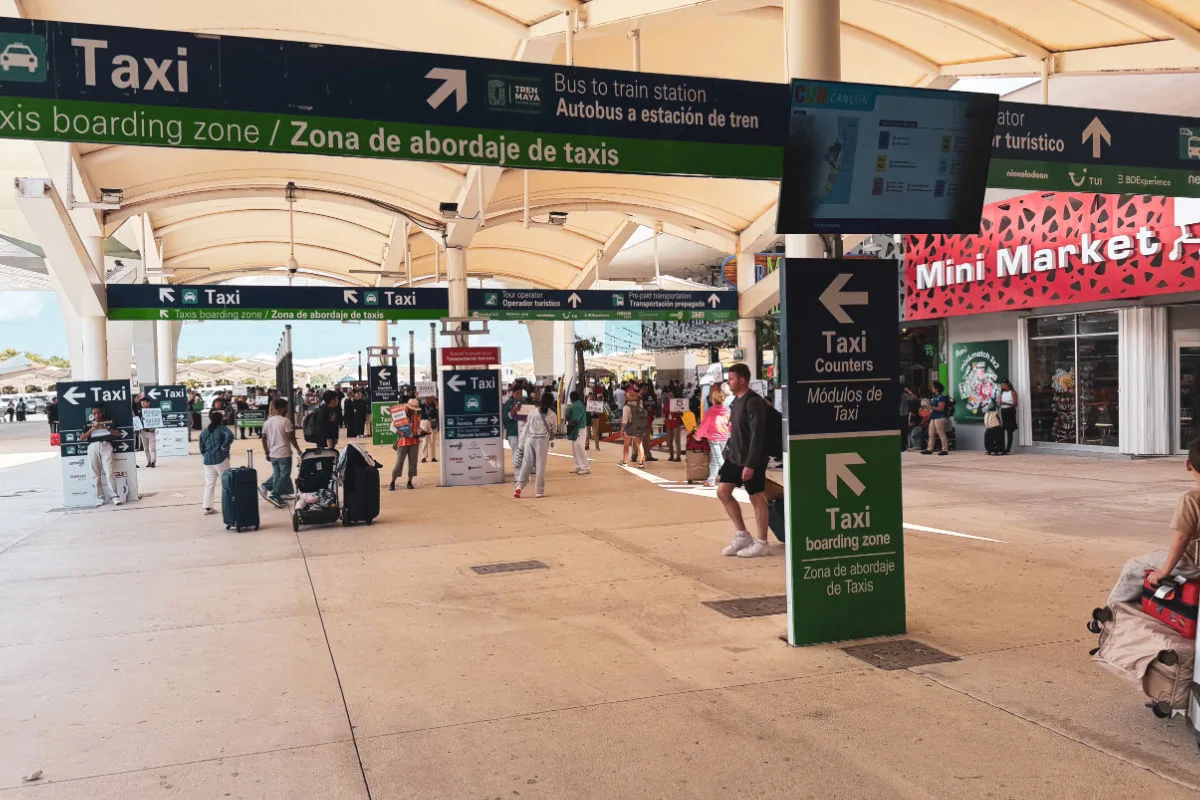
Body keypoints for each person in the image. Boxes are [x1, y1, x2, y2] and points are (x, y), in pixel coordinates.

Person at [1107, 440, 1200, 605]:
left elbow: (1181, 538)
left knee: (1133, 566)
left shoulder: (1191, 499)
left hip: (1193, 565)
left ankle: (1107, 615)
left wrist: (1164, 571)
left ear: (1188, 465)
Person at [717, 364, 771, 558]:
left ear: (742, 380)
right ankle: (742, 535)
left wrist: (751, 464)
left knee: (757, 497)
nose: (728, 382)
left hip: (752, 458)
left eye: (731, 379)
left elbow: (758, 435)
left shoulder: (754, 402)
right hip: (735, 457)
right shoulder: (735, 401)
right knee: (723, 492)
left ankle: (762, 542)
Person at [514, 391, 558, 499]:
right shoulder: (552, 415)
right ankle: (539, 491)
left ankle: (519, 487)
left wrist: (521, 445)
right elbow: (555, 430)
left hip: (530, 440)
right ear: (552, 403)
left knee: (526, 464)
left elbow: (525, 429)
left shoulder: (532, 412)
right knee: (540, 466)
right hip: (542, 441)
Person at [259, 398, 301, 507]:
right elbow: (291, 437)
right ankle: (275, 494)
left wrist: (266, 452)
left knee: (277, 475)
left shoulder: (267, 422)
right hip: (284, 453)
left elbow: (263, 438)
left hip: (273, 454)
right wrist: (298, 449)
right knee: (285, 476)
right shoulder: (285, 421)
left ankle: (281, 494)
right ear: (282, 408)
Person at [80, 404, 125, 507]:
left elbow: (118, 434)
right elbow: (82, 438)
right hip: (92, 447)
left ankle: (115, 496)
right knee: (95, 474)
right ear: (92, 414)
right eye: (94, 413)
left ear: (102, 413)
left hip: (106, 445)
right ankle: (99, 497)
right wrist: (92, 429)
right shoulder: (88, 424)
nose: (96, 415)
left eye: (98, 412)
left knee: (109, 471)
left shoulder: (109, 422)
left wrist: (105, 427)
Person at [199, 410, 234, 515]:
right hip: (221, 459)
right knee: (227, 483)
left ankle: (208, 507)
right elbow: (230, 436)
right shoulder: (222, 428)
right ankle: (229, 505)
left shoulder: (205, 431)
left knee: (209, 484)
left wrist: (205, 454)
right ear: (220, 419)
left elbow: (201, 447)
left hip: (207, 461)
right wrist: (224, 446)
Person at [696, 385, 731, 487]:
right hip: (724, 436)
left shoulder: (711, 411)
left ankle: (729, 477)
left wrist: (699, 435)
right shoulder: (727, 410)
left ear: (713, 400)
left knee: (718, 458)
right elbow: (730, 423)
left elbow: (705, 425)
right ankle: (711, 480)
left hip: (714, 438)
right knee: (715, 459)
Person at [390, 397, 421, 491]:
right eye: (412, 409)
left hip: (414, 441)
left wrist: (421, 432)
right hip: (402, 442)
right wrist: (400, 432)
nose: (413, 411)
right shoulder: (400, 415)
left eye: (415, 410)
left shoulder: (416, 415)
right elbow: (391, 427)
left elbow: (417, 427)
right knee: (399, 463)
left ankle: (409, 482)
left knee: (413, 463)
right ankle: (393, 481)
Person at [621, 389, 649, 468]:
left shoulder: (626, 407)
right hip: (639, 427)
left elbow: (625, 421)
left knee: (626, 445)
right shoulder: (640, 406)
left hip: (629, 427)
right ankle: (641, 463)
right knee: (640, 445)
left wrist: (622, 430)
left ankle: (625, 462)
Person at [923, 381, 950, 456]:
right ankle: (929, 449)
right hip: (933, 417)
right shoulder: (933, 397)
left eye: (933, 387)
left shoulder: (941, 397)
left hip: (939, 417)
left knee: (941, 433)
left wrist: (931, 407)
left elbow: (941, 408)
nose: (932, 389)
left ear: (937, 389)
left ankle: (945, 449)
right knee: (931, 433)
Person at [565, 390, 589, 475]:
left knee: (579, 447)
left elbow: (575, 420)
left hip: (579, 429)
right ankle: (578, 466)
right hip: (577, 429)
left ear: (572, 398)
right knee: (575, 448)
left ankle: (585, 467)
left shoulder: (577, 405)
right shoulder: (576, 404)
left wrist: (567, 419)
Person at [503, 386, 524, 475]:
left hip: (523, 432)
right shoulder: (508, 404)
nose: (519, 396)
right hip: (513, 432)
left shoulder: (524, 404)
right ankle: (517, 473)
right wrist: (512, 412)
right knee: (516, 452)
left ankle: (523, 472)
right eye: (517, 393)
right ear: (512, 393)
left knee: (523, 453)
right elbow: (505, 418)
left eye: (521, 394)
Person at [998, 378, 1018, 455]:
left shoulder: (1012, 392)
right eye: (1002, 385)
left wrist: (1005, 403)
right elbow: (1000, 402)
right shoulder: (1002, 393)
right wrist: (1000, 403)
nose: (1003, 387)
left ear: (1008, 384)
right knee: (1002, 430)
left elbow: (1015, 404)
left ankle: (1008, 449)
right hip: (1003, 411)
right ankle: (1002, 448)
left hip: (1010, 411)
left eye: (1004, 385)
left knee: (1009, 431)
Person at [663, 389, 684, 462]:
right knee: (669, 441)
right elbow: (664, 413)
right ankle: (671, 455)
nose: (670, 396)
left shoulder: (678, 403)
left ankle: (678, 456)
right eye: (669, 395)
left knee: (677, 441)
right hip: (669, 423)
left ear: (674, 396)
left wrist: (678, 411)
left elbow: (682, 414)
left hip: (676, 423)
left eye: (671, 395)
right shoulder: (666, 404)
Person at [137, 397, 157, 468]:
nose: (143, 404)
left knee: (152, 448)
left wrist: (154, 428)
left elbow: (157, 421)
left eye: (144, 402)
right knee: (146, 449)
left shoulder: (153, 411)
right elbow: (137, 422)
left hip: (151, 432)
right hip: (143, 432)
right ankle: (148, 461)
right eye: (142, 403)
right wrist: (141, 420)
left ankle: (153, 461)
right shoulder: (139, 412)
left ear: (148, 403)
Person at [420, 395, 440, 463]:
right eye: (425, 398)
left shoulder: (433, 404)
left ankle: (433, 457)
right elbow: (416, 405)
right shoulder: (422, 405)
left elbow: (438, 407)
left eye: (428, 398)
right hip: (424, 422)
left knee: (432, 441)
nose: (427, 399)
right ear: (423, 398)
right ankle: (423, 457)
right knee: (424, 441)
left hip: (432, 422)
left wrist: (433, 399)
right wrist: (417, 396)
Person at [900, 385, 917, 452]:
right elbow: (915, 398)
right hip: (904, 415)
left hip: (899, 415)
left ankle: (901, 446)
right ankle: (903, 447)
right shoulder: (905, 395)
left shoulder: (902, 395)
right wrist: (909, 392)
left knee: (901, 432)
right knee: (904, 432)